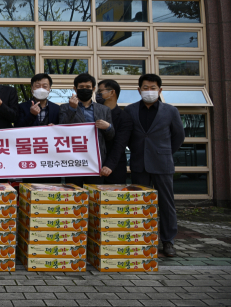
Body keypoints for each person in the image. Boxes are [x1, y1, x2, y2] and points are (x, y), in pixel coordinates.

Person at [125, 74, 184, 258]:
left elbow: (178, 136)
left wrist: (164, 152)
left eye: (152, 88)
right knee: (140, 203)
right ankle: (142, 239)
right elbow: (127, 136)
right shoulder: (130, 110)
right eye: (145, 88)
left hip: (162, 163)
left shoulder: (170, 111)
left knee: (166, 204)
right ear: (139, 90)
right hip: (139, 163)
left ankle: (168, 242)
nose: (149, 91)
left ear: (160, 90)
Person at [59, 73, 115, 186]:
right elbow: (61, 131)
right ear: (75, 88)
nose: (85, 90)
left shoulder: (104, 110)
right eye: (81, 87)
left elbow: (111, 137)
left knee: (95, 195)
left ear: (93, 89)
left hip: (96, 162)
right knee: (73, 195)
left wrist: (108, 127)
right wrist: (72, 109)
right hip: (73, 161)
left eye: (88, 87)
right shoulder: (65, 107)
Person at [17, 73, 62, 184]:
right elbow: (17, 128)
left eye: (45, 86)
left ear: (50, 89)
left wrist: (56, 129)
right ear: (32, 88)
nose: (41, 89)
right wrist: (31, 115)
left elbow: (63, 131)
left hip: (51, 158)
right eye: (37, 86)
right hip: (30, 157)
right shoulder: (22, 107)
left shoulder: (57, 109)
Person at [97, 79, 133, 185]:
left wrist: (109, 165)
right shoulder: (94, 113)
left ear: (112, 92)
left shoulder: (124, 117)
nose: (97, 95)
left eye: (100, 91)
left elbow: (120, 144)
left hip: (114, 170)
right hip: (93, 168)